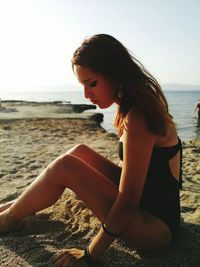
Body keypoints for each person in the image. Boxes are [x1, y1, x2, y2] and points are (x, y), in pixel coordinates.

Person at [0, 34, 182, 267]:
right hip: (152, 207)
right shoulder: (137, 103)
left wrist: (88, 255)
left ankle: (9, 219)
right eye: (83, 85)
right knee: (80, 151)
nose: (87, 95)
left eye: (92, 83)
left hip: (155, 229)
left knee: (66, 166)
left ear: (114, 74)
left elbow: (127, 201)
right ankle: (14, 208)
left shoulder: (139, 116)